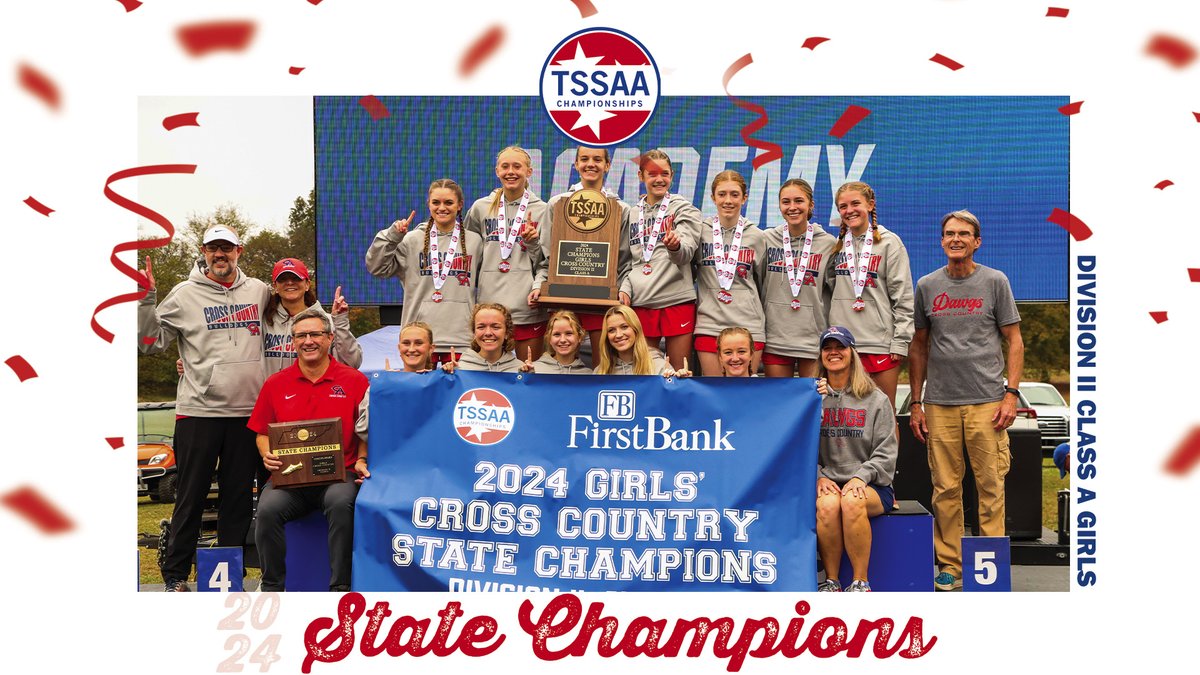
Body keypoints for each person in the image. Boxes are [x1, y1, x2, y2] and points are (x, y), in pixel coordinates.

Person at [137, 225, 269, 592]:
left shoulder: (258, 291)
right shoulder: (183, 295)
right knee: (190, 496)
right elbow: (150, 344)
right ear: (203, 251)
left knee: (238, 500)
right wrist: (146, 300)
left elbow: (290, 316)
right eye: (214, 249)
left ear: (239, 250)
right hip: (198, 412)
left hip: (246, 412)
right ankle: (176, 575)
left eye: (227, 248)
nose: (220, 255)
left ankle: (230, 574)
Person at [908, 209, 1024, 592]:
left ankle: (988, 568)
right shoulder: (927, 285)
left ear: (977, 241)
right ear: (941, 241)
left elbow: (1015, 341)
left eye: (963, 234)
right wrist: (916, 402)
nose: (955, 239)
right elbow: (919, 347)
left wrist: (1010, 394)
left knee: (990, 486)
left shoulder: (995, 282)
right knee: (945, 489)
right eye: (949, 234)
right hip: (940, 403)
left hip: (988, 402)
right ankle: (950, 566)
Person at [248, 308, 370, 592]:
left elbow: (365, 430)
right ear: (293, 342)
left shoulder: (354, 380)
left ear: (329, 338)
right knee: (266, 511)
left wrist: (362, 458)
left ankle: (340, 587)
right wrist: (267, 454)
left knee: (342, 504)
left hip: (340, 475)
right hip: (290, 481)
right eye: (301, 335)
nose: (308, 341)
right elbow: (262, 433)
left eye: (315, 334)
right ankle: (272, 588)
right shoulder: (276, 383)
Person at [813, 326, 897, 592]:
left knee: (851, 500)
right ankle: (832, 581)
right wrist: (817, 476)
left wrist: (862, 476)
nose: (834, 352)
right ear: (821, 356)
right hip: (828, 483)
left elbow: (886, 451)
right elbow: (799, 447)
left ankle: (861, 583)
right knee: (827, 505)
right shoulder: (812, 398)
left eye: (840, 347)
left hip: (871, 486)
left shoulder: (876, 399)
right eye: (828, 348)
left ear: (852, 353)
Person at [366, 178, 484, 364]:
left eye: (449, 202)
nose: (442, 208)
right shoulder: (411, 240)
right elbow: (377, 267)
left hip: (461, 339)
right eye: (436, 202)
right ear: (428, 204)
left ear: (460, 205)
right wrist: (392, 236)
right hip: (418, 340)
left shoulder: (475, 241)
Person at [541, 146, 633, 364]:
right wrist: (540, 285)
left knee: (603, 366)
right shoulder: (557, 204)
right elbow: (545, 256)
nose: (590, 164)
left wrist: (621, 290)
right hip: (562, 296)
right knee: (558, 365)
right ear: (576, 164)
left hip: (603, 301)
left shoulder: (621, 208)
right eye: (584, 159)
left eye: (597, 159)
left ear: (607, 165)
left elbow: (625, 259)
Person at [824, 181, 914, 406]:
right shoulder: (836, 246)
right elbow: (829, 288)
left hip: (879, 343)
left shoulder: (889, 243)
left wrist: (900, 341)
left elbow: (902, 296)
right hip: (844, 345)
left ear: (871, 205)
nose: (849, 210)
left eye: (856, 203)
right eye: (843, 206)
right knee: (846, 416)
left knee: (884, 415)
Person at [464, 146, 550, 360]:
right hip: (489, 309)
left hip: (526, 308)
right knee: (489, 376)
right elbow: (466, 254)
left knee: (528, 376)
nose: (510, 171)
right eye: (505, 166)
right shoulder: (480, 208)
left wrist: (533, 244)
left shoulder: (542, 209)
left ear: (529, 172)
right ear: (497, 171)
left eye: (517, 166)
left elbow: (547, 262)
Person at [621, 149, 702, 371]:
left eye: (664, 174)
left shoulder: (684, 208)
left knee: (679, 372)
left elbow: (686, 252)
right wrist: (626, 288)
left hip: (675, 300)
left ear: (672, 175)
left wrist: (674, 246)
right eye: (652, 174)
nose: (659, 179)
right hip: (642, 301)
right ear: (641, 176)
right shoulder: (632, 213)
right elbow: (630, 260)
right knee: (645, 372)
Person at [762, 178, 838, 378]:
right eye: (786, 202)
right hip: (775, 337)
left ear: (810, 205)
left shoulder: (828, 244)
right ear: (779, 205)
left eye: (799, 201)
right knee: (778, 403)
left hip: (813, 339)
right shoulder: (766, 239)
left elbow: (835, 290)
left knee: (813, 403)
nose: (792, 207)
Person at [692, 170, 766, 376]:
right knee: (715, 394)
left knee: (746, 395)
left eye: (734, 194)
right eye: (722, 194)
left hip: (749, 325)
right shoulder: (700, 232)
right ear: (713, 197)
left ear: (744, 197)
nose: (728, 201)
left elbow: (762, 282)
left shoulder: (758, 236)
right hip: (710, 324)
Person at [263, 258, 362, 375]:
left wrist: (340, 322)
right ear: (275, 286)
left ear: (307, 285)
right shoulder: (264, 321)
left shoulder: (328, 321)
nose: (289, 283)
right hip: (274, 391)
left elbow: (352, 363)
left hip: (316, 392)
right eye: (283, 279)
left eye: (296, 278)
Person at [594, 305, 690, 376]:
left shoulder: (659, 366)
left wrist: (681, 384)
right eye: (611, 330)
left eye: (624, 327)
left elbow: (673, 401)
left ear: (636, 329)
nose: (618, 335)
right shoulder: (600, 372)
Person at [445, 303, 527, 373]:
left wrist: (530, 380)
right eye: (481, 327)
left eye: (495, 327)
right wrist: (449, 379)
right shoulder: (460, 369)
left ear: (507, 333)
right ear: (474, 333)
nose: (488, 333)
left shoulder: (520, 370)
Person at [527, 310, 592, 374]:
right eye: (557, 334)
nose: (562, 340)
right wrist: (527, 377)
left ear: (579, 337)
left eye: (569, 333)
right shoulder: (534, 370)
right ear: (549, 338)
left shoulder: (588, 375)